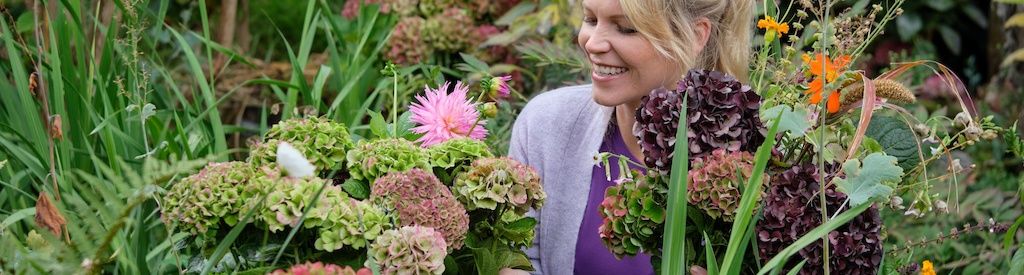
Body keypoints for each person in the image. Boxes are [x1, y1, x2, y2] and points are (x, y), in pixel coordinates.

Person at [503, 0, 753, 274]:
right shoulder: (547, 123)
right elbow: (516, 257)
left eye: (626, 28)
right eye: (590, 19)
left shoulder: (748, 161)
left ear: (695, 35)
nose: (592, 43)